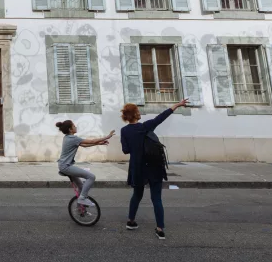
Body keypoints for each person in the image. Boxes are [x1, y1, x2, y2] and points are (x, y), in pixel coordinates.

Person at [121, 99, 188, 239]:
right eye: (137, 111)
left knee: (137, 195)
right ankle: (160, 229)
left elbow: (126, 150)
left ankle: (130, 221)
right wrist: (176, 105)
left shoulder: (124, 131)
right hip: (153, 166)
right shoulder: (145, 126)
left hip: (137, 167)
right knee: (156, 198)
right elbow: (161, 117)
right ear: (135, 114)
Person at [55, 120, 115, 207]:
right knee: (91, 177)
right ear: (70, 129)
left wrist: (99, 143)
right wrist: (107, 136)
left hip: (64, 165)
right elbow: (91, 141)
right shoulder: (73, 138)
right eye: (74, 126)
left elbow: (84, 145)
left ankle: (80, 209)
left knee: (81, 186)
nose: (76, 127)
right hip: (66, 166)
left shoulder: (68, 137)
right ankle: (82, 198)